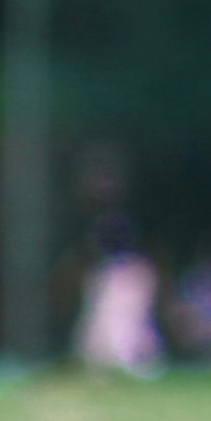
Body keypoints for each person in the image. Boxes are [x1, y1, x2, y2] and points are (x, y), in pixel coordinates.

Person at [70, 153, 161, 378]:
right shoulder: (94, 218)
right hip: (111, 273)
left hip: (129, 272)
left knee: (125, 326)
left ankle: (132, 361)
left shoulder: (131, 209)